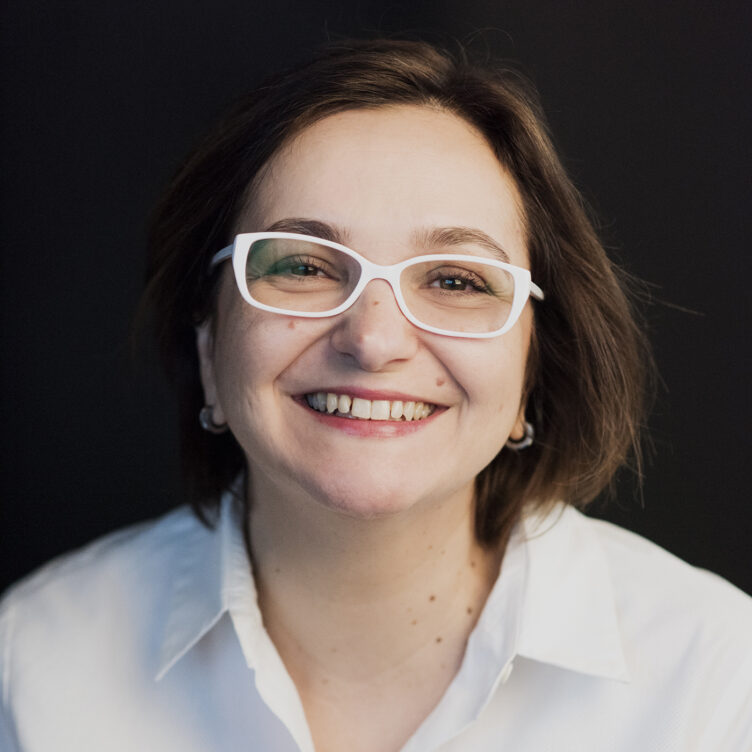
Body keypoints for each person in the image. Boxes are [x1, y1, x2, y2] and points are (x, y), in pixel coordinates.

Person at [1, 38, 750, 752]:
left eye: (455, 280)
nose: (374, 339)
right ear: (208, 341)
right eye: (301, 266)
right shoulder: (34, 670)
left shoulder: (711, 683)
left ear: (532, 369)